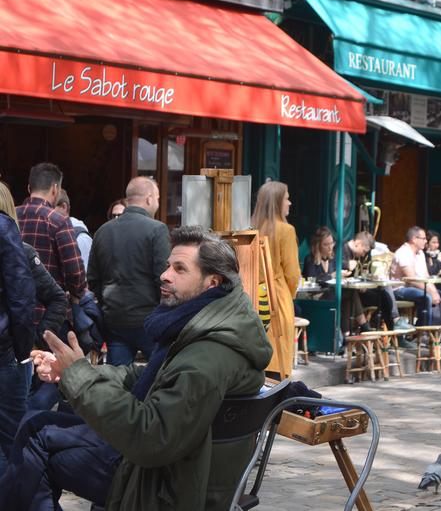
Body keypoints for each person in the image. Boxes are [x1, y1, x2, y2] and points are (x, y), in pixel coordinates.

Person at [0, 226, 273, 511]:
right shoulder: (207, 323)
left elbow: (151, 437)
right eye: (168, 265)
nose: (164, 275)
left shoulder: (207, 354)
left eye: (179, 269)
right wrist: (75, 370)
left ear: (212, 283)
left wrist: (78, 378)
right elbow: (144, 377)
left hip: (162, 484)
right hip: (169, 465)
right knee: (36, 427)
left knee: (35, 447)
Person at [16, 162, 87, 409]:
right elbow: (76, 273)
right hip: (50, 318)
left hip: (15, 319)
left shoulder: (11, 218)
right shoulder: (58, 221)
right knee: (48, 380)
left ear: (28, 187)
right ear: (55, 190)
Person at [88, 177, 170, 365]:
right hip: (150, 319)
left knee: (117, 381)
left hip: (114, 319)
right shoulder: (157, 230)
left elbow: (92, 278)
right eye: (157, 197)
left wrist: (107, 302)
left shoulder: (103, 231)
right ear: (149, 198)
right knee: (162, 375)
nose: (158, 202)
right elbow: (164, 278)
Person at [0, 182, 67, 351]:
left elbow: (57, 298)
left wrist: (35, 342)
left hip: (11, 355)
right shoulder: (56, 222)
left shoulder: (23, 253)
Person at [251, 181, 300, 378]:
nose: (290, 202)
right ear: (277, 201)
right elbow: (292, 273)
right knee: (278, 360)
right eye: (287, 197)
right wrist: (290, 295)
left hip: (254, 296)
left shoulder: (252, 228)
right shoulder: (286, 230)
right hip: (277, 299)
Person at [0, 207, 35, 477]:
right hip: (4, 353)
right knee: (12, 442)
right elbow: (20, 295)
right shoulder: (3, 227)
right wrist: (23, 352)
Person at [302, 227, 369, 336]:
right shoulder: (310, 259)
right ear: (318, 245)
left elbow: (340, 271)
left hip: (330, 293)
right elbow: (312, 279)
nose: (330, 247)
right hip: (316, 297)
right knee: (344, 296)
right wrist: (332, 276)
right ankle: (360, 328)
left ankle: (346, 334)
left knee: (349, 294)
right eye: (326, 244)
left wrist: (342, 276)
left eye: (331, 243)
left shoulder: (332, 259)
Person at [390, 226, 441, 326]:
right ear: (414, 239)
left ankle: (439, 329)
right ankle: (422, 332)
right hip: (400, 289)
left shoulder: (420, 253)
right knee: (426, 297)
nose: (426, 241)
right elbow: (412, 279)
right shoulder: (404, 252)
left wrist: (434, 291)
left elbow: (426, 276)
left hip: (415, 287)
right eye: (423, 238)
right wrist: (430, 292)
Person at [55, 188, 92, 271]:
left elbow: (86, 275)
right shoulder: (51, 232)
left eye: (50, 206)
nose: (45, 211)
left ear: (63, 207)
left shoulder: (81, 238)